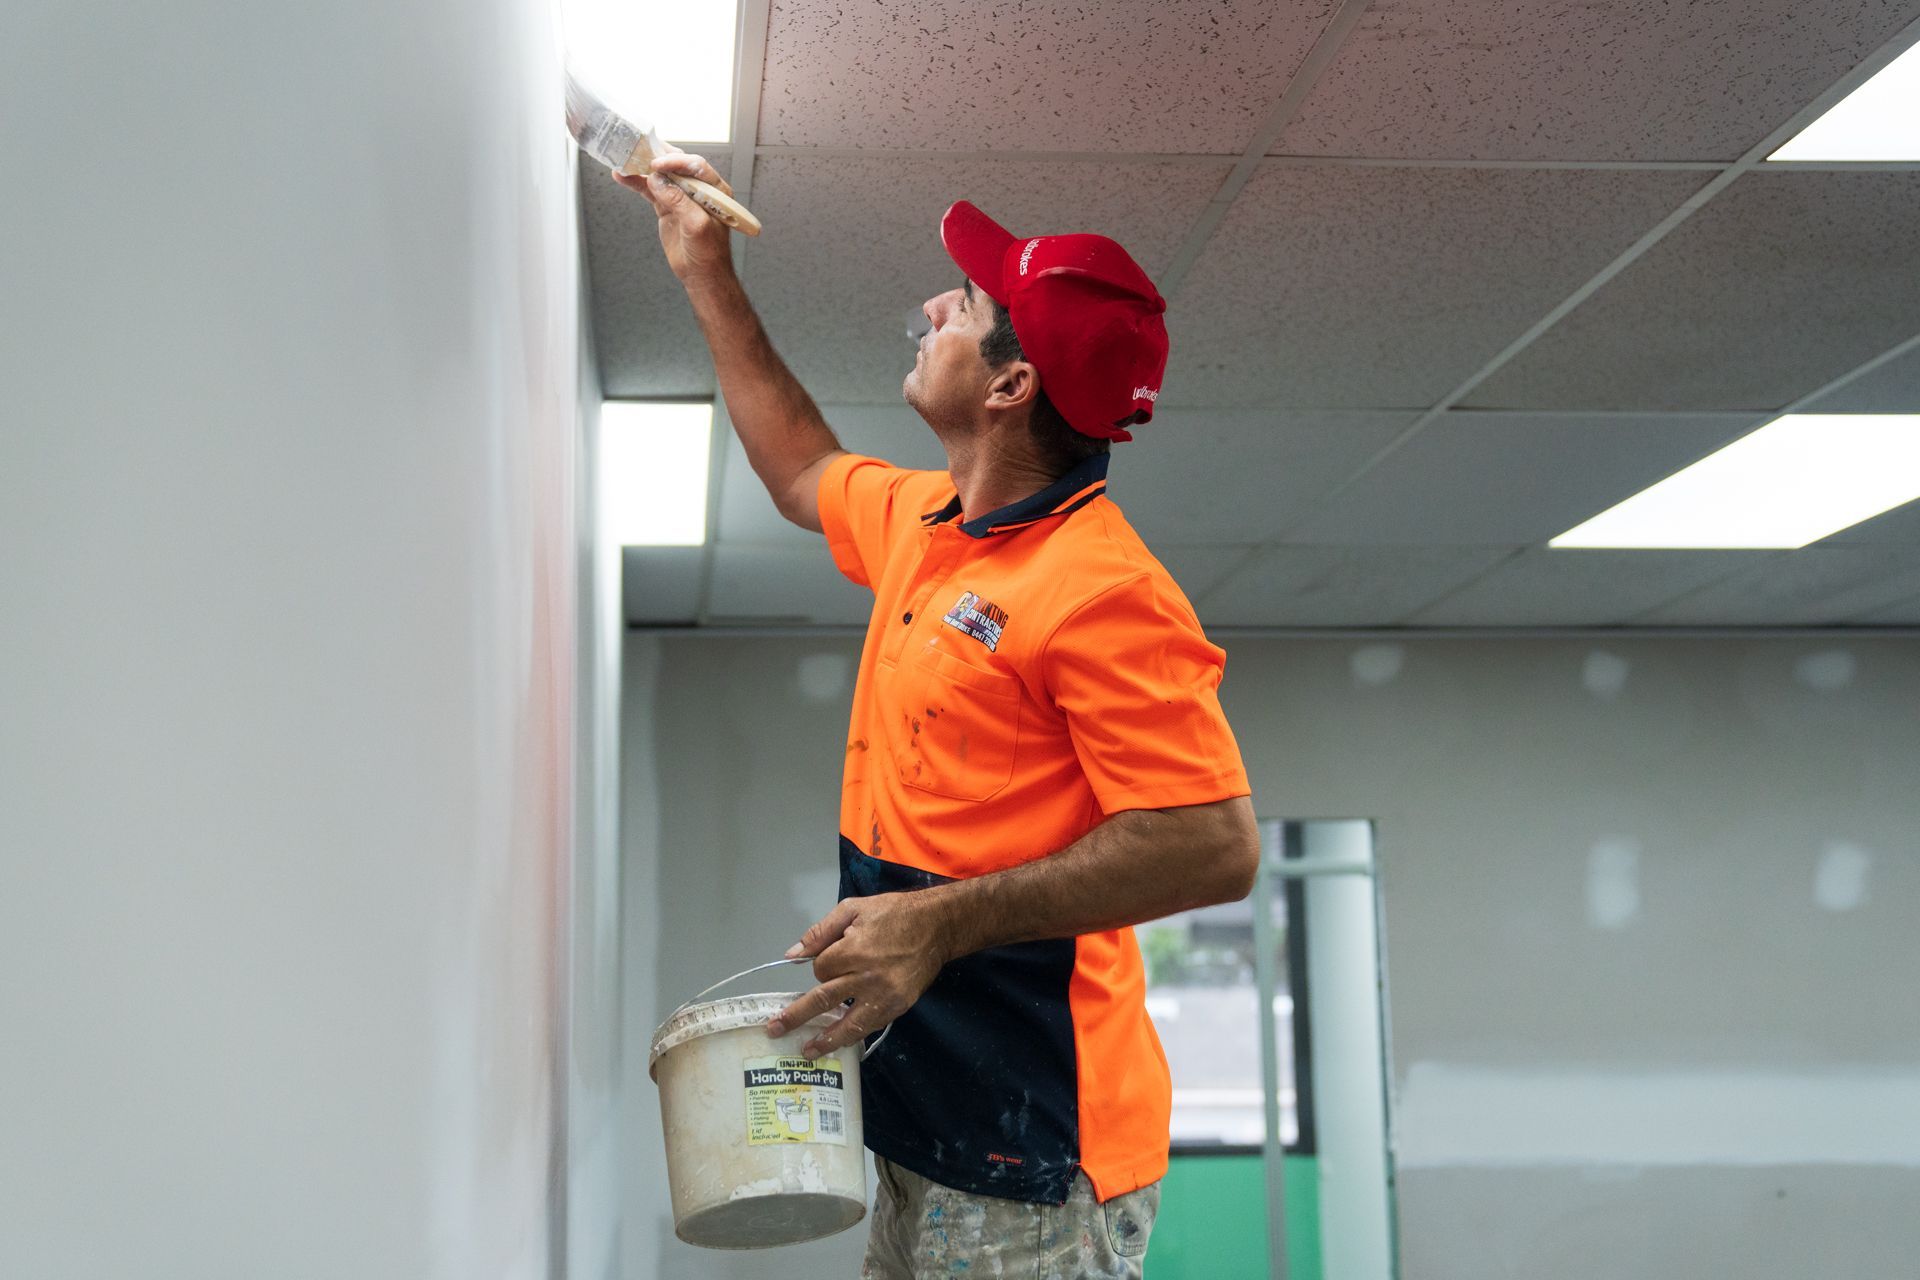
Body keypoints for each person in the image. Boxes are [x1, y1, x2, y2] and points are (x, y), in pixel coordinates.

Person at [618, 147, 1259, 1279]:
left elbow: (1211, 841)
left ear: (1011, 385)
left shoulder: (1106, 589)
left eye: (965, 304)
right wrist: (703, 269)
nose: (933, 304)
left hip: (1039, 1140)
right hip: (930, 1117)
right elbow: (801, 463)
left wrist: (938, 921)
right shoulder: (930, 522)